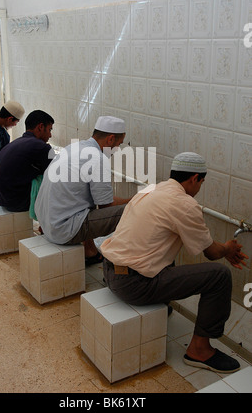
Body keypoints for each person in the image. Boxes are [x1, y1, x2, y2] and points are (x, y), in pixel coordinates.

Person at [101, 152, 248, 374]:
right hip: (131, 285)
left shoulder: (152, 189)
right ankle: (199, 351)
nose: (200, 187)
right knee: (219, 275)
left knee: (165, 246)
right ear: (194, 178)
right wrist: (227, 248)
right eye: (201, 182)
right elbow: (211, 253)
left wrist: (222, 248)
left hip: (109, 272)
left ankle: (159, 303)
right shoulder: (184, 204)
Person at [35, 116, 131, 265]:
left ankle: (90, 251)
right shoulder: (97, 158)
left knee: (85, 199)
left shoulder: (74, 147)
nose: (117, 149)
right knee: (129, 210)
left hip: (46, 223)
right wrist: (136, 199)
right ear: (110, 139)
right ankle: (120, 263)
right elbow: (107, 206)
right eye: (118, 144)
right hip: (63, 230)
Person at [0, 110, 54, 213]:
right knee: (55, 182)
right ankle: (49, 224)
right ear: (40, 127)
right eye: (49, 130)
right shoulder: (41, 147)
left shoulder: (17, 142)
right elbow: (55, 174)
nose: (50, 135)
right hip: (15, 201)